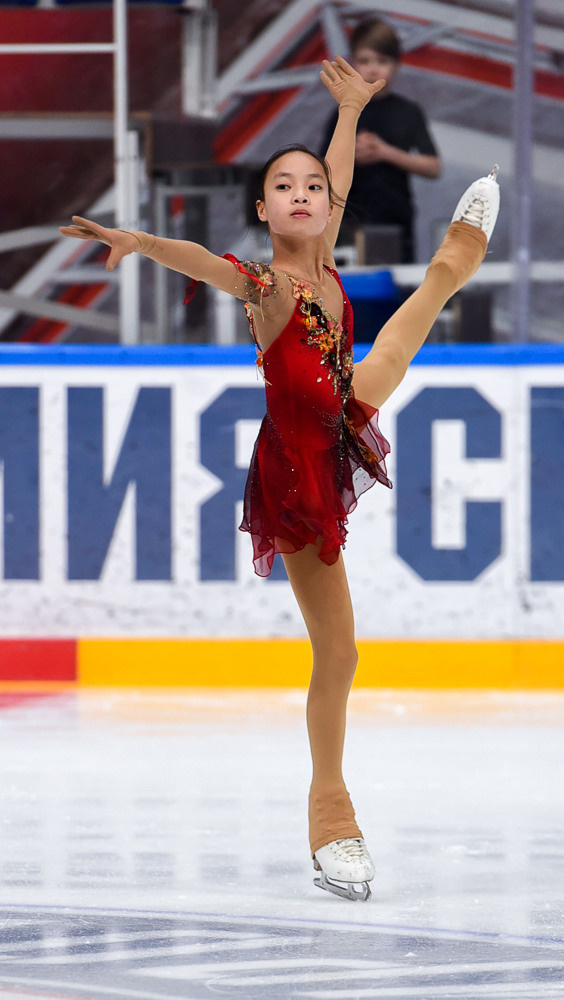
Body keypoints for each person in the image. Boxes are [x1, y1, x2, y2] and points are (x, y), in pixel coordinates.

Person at [59, 56, 499, 902]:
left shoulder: (325, 254)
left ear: (329, 206)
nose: (301, 194)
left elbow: (334, 174)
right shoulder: (265, 287)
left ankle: (450, 262)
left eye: (313, 188)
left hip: (340, 412)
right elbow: (201, 261)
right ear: (262, 209)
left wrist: (348, 114)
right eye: (282, 187)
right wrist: (138, 242)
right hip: (298, 471)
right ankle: (330, 816)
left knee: (394, 352)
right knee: (338, 649)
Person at [320, 17, 441, 263]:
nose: (373, 69)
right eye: (365, 61)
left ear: (396, 65)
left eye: (382, 62)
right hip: (348, 222)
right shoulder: (343, 111)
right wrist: (353, 152)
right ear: (352, 63)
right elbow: (322, 169)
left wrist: (385, 152)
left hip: (395, 220)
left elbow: (433, 166)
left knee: (395, 292)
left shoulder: (407, 111)